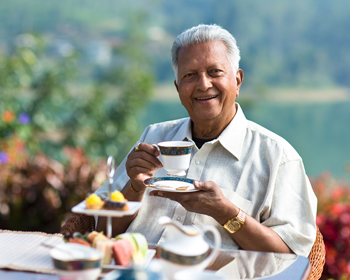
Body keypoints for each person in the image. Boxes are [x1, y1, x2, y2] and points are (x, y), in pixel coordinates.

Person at [95, 24, 317, 257]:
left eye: (215, 72)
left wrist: (225, 212)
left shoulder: (278, 156)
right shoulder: (154, 137)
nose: (203, 84)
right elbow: (102, 230)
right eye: (190, 75)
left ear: (238, 81)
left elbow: (291, 257)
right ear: (178, 88)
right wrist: (134, 186)